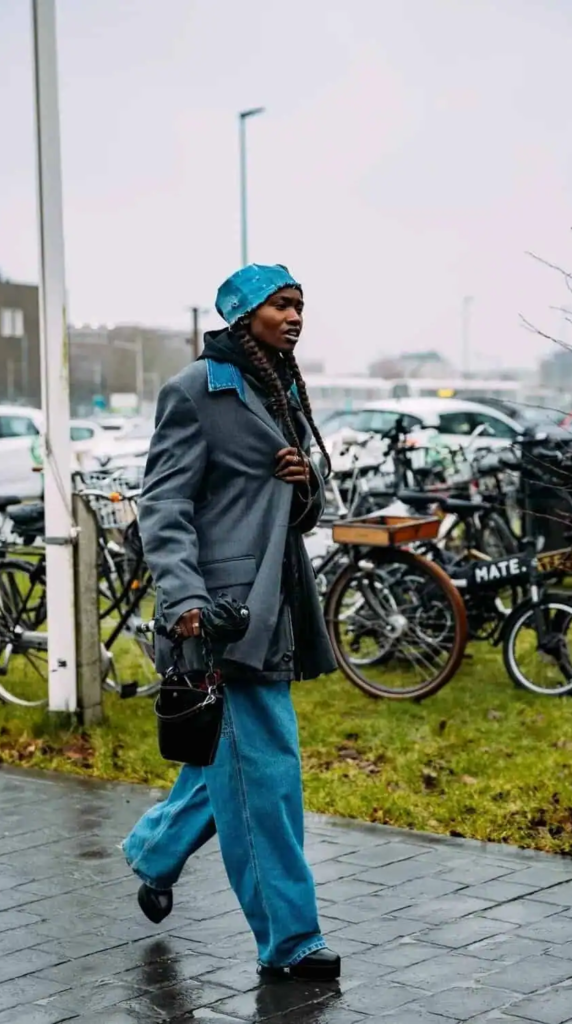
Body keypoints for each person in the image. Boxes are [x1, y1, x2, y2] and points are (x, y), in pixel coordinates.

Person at [122, 264, 340, 981]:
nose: (295, 315)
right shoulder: (196, 390)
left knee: (233, 765)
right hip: (219, 614)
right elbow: (164, 504)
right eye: (281, 304)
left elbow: (296, 506)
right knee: (266, 776)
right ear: (244, 313)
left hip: (276, 602)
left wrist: (303, 484)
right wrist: (183, 599)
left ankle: (154, 851)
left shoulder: (281, 387)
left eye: (300, 304)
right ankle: (289, 941)